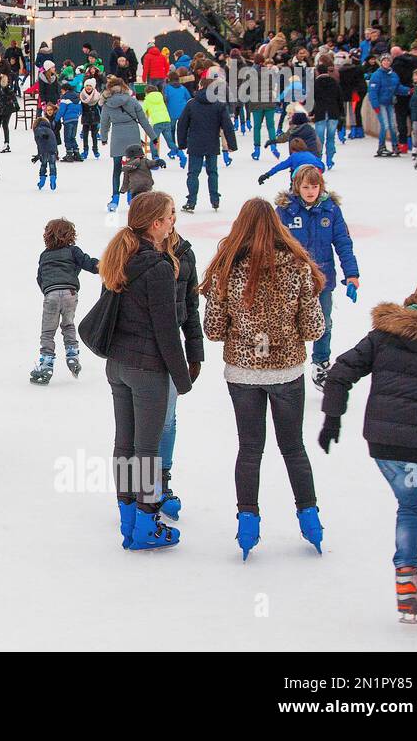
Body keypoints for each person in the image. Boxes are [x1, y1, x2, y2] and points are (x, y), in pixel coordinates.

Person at [318, 272, 417, 644]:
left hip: (385, 446)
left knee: (410, 508)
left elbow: (341, 372)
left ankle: (407, 593)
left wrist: (333, 418)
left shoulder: (385, 335)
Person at [202, 197, 326, 560]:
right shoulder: (299, 267)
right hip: (286, 371)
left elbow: (212, 329)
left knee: (250, 448)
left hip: (242, 374)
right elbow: (315, 327)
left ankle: (247, 521)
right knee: (294, 448)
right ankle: (310, 518)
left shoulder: (227, 267)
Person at [96, 191, 191, 551]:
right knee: (147, 450)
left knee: (126, 444)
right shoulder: (159, 267)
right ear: (156, 224)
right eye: (169, 217)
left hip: (118, 366)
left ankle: (128, 515)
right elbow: (166, 330)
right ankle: (147, 521)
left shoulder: (123, 256)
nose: (173, 222)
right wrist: (182, 378)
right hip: (146, 368)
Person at [274, 165, 360, 389]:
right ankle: (287, 362)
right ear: (296, 187)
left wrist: (351, 274)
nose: (310, 191)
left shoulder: (330, 210)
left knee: (324, 323)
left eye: (315, 186)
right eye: (305, 187)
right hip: (291, 280)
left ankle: (321, 363)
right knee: (289, 322)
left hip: (322, 279)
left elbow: (343, 242)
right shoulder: (284, 211)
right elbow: (273, 246)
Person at [155, 224, 204, 521]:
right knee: (135, 424)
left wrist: (195, 352)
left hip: (172, 347)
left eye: (172, 214)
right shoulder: (130, 250)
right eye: (164, 214)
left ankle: (161, 484)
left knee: (166, 420)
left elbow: (191, 305)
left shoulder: (184, 253)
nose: (169, 220)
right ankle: (134, 491)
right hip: (137, 347)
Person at [31, 218, 98, 384]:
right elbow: (89, 263)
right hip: (70, 293)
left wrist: (47, 290)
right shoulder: (73, 251)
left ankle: (46, 365)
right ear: (70, 236)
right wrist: (106, 266)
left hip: (51, 295)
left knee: (48, 332)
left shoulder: (44, 255)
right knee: (68, 324)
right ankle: (72, 355)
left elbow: (40, 277)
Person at [174, 74, 236, 213]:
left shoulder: (191, 104)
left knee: (193, 173)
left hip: (195, 143)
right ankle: (215, 200)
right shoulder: (219, 105)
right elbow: (227, 126)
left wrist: (182, 143)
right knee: (212, 172)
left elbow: (182, 124)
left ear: (201, 87)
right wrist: (232, 144)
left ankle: (191, 202)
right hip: (212, 143)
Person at [100, 77, 158, 212]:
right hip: (133, 135)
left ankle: (115, 199)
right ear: (124, 87)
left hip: (117, 136)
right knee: (134, 168)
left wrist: (104, 137)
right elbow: (143, 120)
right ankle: (131, 197)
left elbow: (104, 123)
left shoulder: (107, 104)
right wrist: (153, 137)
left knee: (116, 169)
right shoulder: (132, 101)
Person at [366, 54, 403, 156]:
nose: (386, 63)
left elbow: (398, 87)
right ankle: (381, 146)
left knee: (392, 125)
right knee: (385, 125)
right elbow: (372, 92)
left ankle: (395, 145)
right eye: (384, 61)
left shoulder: (393, 75)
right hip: (380, 104)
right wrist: (375, 105)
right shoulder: (376, 75)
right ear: (381, 62)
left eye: (388, 61)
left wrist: (408, 90)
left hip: (389, 103)